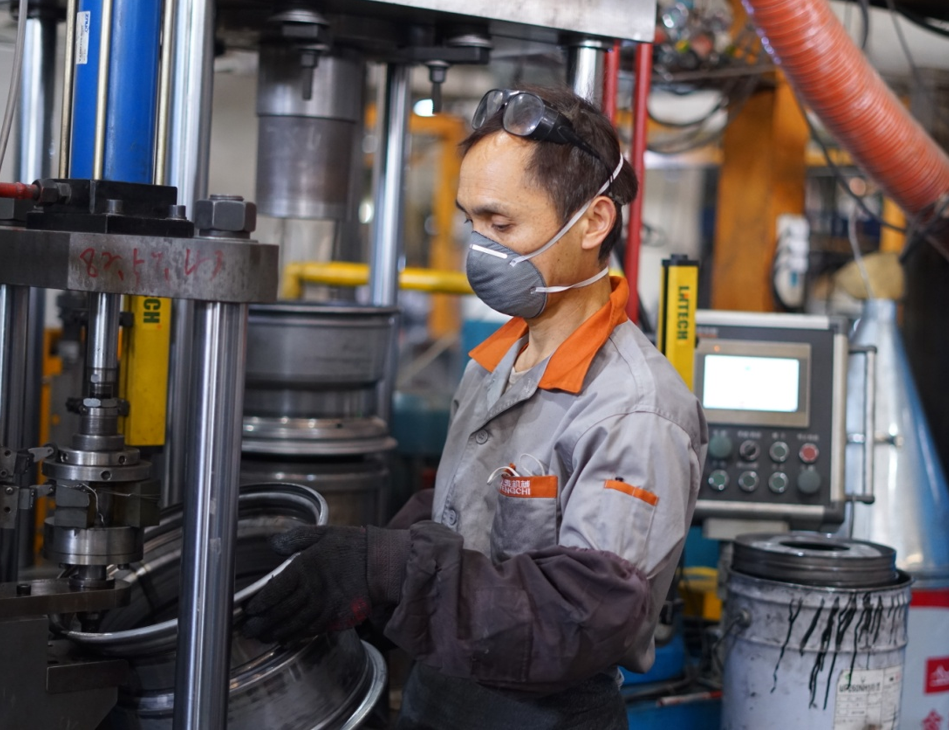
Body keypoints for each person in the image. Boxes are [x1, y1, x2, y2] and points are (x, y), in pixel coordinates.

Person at [242, 84, 707, 729]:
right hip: (439, 695)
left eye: (502, 224)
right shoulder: (496, 360)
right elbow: (464, 519)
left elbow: (585, 616)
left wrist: (388, 571)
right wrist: (358, 571)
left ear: (594, 222)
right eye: (472, 222)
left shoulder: (635, 409)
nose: (480, 249)